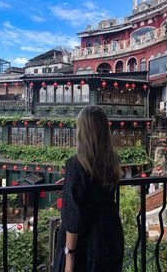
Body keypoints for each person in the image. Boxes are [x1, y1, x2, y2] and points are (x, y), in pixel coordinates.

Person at [53, 106, 124, 272]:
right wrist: (72, 181)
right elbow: (96, 185)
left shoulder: (76, 165)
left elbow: (74, 218)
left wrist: (69, 254)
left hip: (87, 241)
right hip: (110, 232)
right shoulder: (112, 161)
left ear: (82, 131)